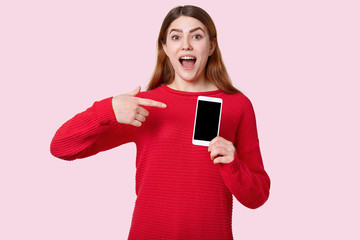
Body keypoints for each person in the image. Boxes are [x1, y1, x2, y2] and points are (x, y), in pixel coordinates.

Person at [50, 5, 270, 240]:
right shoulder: (142, 106)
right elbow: (61, 147)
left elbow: (257, 197)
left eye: (196, 36)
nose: (186, 45)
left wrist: (233, 164)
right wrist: (108, 109)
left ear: (211, 46)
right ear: (165, 47)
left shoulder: (238, 105)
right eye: (176, 37)